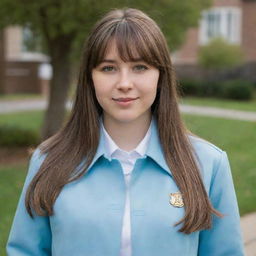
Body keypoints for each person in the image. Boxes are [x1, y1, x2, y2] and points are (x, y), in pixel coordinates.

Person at [7, 8, 244, 256]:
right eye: (109, 68)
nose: (124, 83)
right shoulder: (47, 161)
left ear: (160, 76)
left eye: (140, 67)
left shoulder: (209, 164)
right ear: (90, 77)